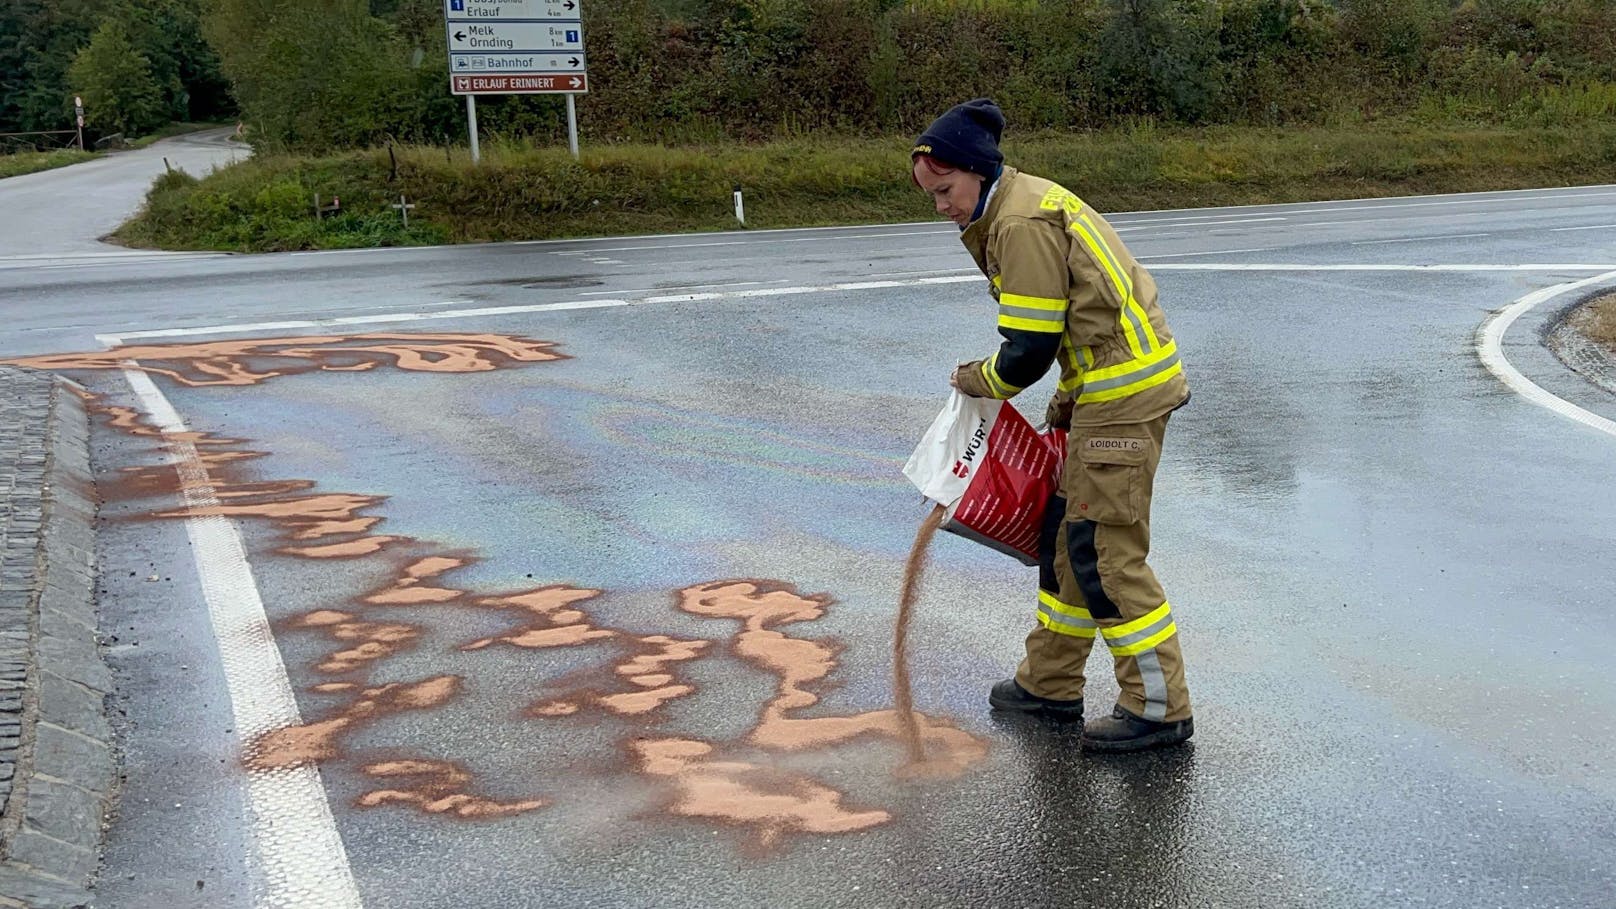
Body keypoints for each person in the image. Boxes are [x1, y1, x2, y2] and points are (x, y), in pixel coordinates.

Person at [912, 98, 1194, 752]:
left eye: (946, 190)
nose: (941, 207)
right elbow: (1074, 323)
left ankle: (1159, 707)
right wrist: (1070, 403)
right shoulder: (1015, 208)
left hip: (1122, 400)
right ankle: (1050, 683)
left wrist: (974, 379)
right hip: (1101, 393)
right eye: (930, 195)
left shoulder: (1020, 224)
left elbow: (1028, 350)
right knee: (1064, 538)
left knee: (1103, 551)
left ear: (978, 172)